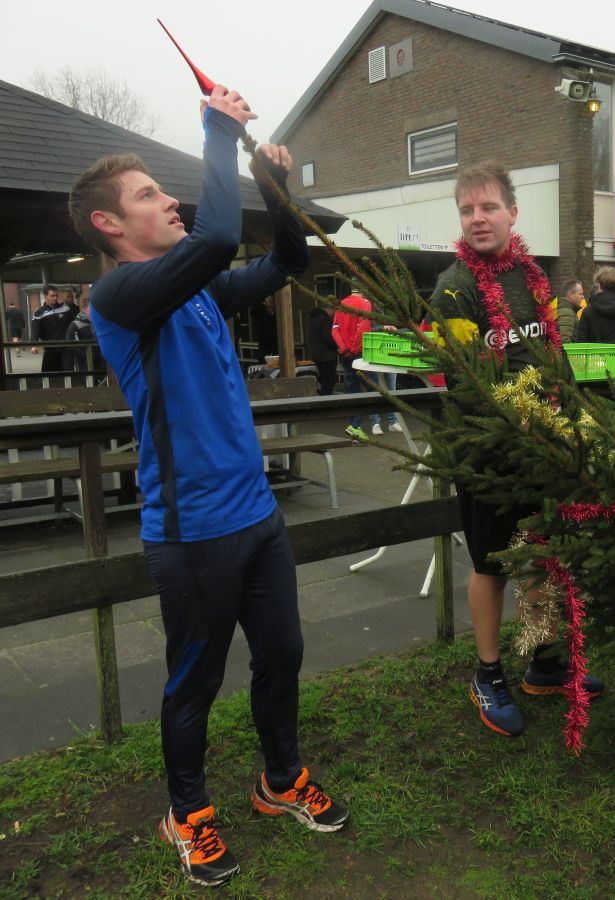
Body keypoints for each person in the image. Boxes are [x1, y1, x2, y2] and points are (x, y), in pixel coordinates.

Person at [68, 84, 346, 888]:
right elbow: (219, 235)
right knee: (196, 681)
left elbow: (288, 261)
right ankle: (185, 812)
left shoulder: (200, 291)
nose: (169, 201)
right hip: (191, 532)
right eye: (148, 194)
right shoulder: (119, 297)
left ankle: (280, 780)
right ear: (109, 224)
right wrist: (218, 131)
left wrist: (274, 190)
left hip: (257, 516)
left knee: (284, 654)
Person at [429, 161, 603, 737]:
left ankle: (546, 663)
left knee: (545, 554)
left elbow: (553, 357)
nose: (477, 218)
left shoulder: (533, 279)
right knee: (492, 564)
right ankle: (488, 674)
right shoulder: (453, 288)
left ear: (512, 213)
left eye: (488, 207)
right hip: (486, 456)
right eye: (467, 210)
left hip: (543, 447)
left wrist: (568, 420)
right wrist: (521, 423)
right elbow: (464, 381)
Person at [331, 293, 402, 439]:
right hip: (360, 352)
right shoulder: (365, 303)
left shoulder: (341, 304)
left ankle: (355, 427)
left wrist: (344, 349)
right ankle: (355, 426)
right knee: (373, 389)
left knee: (352, 391)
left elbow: (335, 330)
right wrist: (355, 349)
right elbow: (363, 327)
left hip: (346, 354)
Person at [30, 286, 78, 372]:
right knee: (49, 376)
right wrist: (34, 345)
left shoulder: (66, 309)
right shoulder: (39, 313)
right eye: (52, 296)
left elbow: (77, 321)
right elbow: (35, 330)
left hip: (66, 349)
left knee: (68, 375)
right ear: (45, 296)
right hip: (50, 350)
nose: (55, 298)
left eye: (57, 296)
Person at [65, 293, 103, 373]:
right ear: (83, 309)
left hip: (101, 361)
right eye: (91, 309)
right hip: (84, 364)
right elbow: (70, 345)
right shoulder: (75, 325)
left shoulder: (98, 322)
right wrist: (88, 355)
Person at [306, 304, 339, 395]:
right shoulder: (325, 319)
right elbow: (328, 337)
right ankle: (326, 400)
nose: (334, 312)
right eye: (334, 309)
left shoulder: (313, 319)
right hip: (327, 355)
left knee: (321, 380)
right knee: (329, 380)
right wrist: (338, 345)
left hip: (316, 354)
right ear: (328, 308)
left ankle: (322, 397)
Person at [556, 278, 585, 343]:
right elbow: (564, 341)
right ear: (571, 295)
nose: (583, 297)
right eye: (580, 294)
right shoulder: (566, 312)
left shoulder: (567, 310)